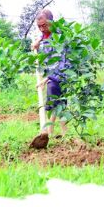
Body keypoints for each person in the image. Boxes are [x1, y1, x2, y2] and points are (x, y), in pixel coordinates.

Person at [31, 9, 68, 137]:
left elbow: (60, 61)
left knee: (57, 102)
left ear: (51, 22)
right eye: (39, 26)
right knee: (57, 103)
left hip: (61, 74)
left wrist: (47, 78)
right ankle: (54, 132)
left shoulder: (58, 36)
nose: (41, 29)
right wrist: (39, 41)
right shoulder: (46, 34)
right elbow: (45, 36)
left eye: (44, 25)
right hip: (53, 75)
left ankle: (56, 131)